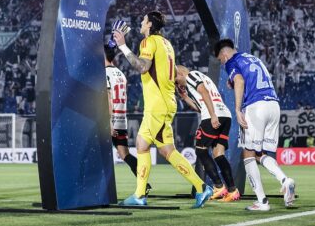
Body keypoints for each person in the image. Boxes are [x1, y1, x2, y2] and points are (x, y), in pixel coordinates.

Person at [113, 11, 212, 208]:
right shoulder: (167, 44)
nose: (141, 23)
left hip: (157, 104)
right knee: (168, 151)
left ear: (149, 24)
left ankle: (140, 195)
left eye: (143, 20)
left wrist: (123, 46)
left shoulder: (148, 42)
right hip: (168, 102)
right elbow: (173, 72)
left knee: (141, 144)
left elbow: (142, 67)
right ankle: (201, 186)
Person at [214, 39, 296, 211]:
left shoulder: (231, 61)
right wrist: (235, 83)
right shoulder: (253, 59)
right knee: (260, 153)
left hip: (255, 107)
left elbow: (240, 81)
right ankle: (285, 181)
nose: (222, 63)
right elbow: (248, 79)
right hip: (273, 105)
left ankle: (262, 202)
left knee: (248, 155)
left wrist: (237, 109)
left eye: (221, 60)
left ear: (224, 54)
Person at [175, 65, 240, 202]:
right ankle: (233, 190)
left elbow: (204, 93)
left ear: (180, 73)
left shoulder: (191, 76)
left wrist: (212, 115)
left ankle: (218, 186)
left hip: (213, 116)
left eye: (175, 79)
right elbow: (200, 106)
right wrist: (185, 97)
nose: (177, 83)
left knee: (200, 151)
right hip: (225, 115)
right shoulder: (203, 77)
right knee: (218, 154)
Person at [104, 44, 151, 193]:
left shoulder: (104, 74)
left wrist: (108, 123)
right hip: (121, 119)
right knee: (124, 154)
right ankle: (144, 184)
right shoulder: (120, 74)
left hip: (109, 121)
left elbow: (108, 98)